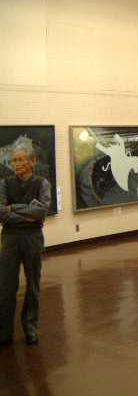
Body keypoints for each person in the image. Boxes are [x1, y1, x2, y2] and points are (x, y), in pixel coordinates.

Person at [0, 143, 51, 346]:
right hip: (10, 238)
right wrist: (27, 214)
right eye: (14, 160)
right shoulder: (4, 183)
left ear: (32, 162)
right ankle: (4, 332)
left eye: (21, 159)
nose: (16, 163)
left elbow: (41, 211)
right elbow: (1, 213)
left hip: (32, 238)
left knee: (33, 285)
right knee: (6, 286)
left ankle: (30, 327)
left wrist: (13, 208)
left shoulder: (42, 183)